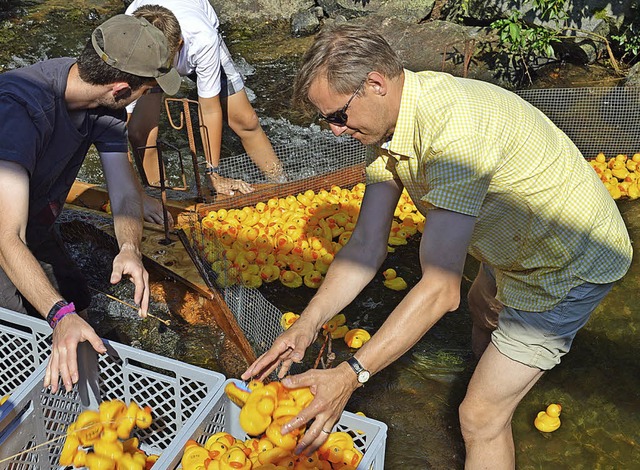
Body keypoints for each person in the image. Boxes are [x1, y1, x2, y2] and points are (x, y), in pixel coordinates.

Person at [242, 23, 633, 467]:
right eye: (325, 119)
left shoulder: (453, 135)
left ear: (376, 84)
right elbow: (366, 247)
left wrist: (351, 376)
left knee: (478, 416)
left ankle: (494, 409)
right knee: (482, 310)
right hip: (514, 242)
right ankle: (500, 378)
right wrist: (307, 323)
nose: (334, 131)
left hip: (566, 264)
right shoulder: (388, 127)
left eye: (337, 116)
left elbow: (439, 290)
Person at [0, 14, 181, 394]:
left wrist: (129, 248)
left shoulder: (105, 108)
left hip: (32, 221)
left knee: (78, 300)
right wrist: (57, 314)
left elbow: (124, 191)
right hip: (5, 232)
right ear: (120, 88)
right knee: (20, 338)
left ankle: (83, 394)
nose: (147, 98)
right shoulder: (21, 110)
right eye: (146, 90)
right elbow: (5, 238)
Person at [125, 0, 285, 196]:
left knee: (245, 120)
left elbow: (209, 109)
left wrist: (213, 173)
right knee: (139, 133)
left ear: (179, 45)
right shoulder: (129, 39)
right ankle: (162, 197)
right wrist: (129, 188)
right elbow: (119, 125)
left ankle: (282, 185)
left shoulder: (202, 39)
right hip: (141, 57)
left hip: (197, 40)